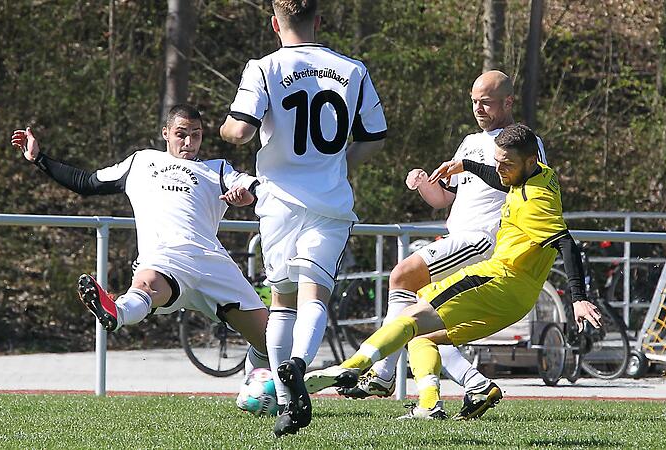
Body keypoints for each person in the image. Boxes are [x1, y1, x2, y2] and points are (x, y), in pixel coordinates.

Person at [305, 123, 601, 420]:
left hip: (496, 278)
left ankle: (351, 367)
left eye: (506, 164)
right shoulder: (542, 176)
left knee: (410, 314)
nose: (500, 169)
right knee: (425, 337)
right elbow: (503, 182)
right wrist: (468, 165)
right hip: (518, 300)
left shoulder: (533, 200)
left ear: (530, 161)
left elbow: (566, 243)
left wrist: (578, 298)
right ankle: (430, 404)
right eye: (497, 161)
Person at [336, 71, 547, 421]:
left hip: (482, 241)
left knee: (402, 277)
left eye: (487, 102)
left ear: (508, 102)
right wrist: (422, 183)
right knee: (423, 324)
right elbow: (443, 199)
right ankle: (472, 386)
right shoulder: (468, 141)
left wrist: (469, 165)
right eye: (474, 100)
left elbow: (522, 184)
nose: (478, 108)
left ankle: (383, 373)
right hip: (458, 237)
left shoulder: (522, 143)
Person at [219, 0, 386, 437]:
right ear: (319, 21)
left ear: (275, 23)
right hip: (329, 202)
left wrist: (224, 130)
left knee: (281, 301)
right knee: (316, 295)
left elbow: (239, 131)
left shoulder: (263, 67)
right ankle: (298, 365)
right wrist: (340, 160)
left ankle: (285, 397)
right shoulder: (352, 69)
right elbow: (375, 137)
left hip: (277, 202)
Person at [10, 104, 271, 377]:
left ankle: (257, 388)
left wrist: (247, 196)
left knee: (271, 344)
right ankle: (117, 312)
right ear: (165, 133)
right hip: (166, 258)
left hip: (212, 263)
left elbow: (254, 187)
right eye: (181, 134)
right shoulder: (141, 161)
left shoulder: (217, 170)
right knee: (145, 285)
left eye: (196, 134)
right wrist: (39, 158)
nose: (189, 142)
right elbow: (86, 182)